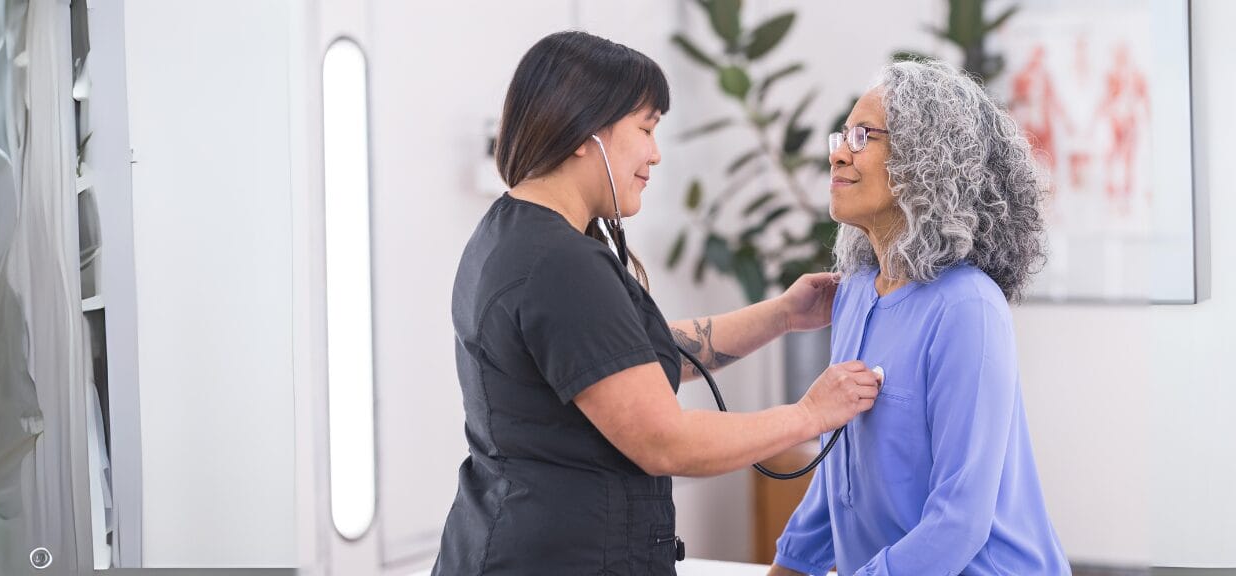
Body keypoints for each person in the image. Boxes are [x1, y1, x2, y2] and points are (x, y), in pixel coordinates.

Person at [434, 31, 882, 575]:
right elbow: (666, 442)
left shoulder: (512, 235)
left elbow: (625, 358)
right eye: (645, 128)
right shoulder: (558, 264)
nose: (655, 153)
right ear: (584, 131)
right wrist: (809, 415)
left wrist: (783, 314)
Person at [770, 60, 1070, 576]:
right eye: (841, 136)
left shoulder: (967, 308)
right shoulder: (855, 295)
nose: (839, 153)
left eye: (863, 136)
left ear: (925, 160)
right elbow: (832, 486)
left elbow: (958, 523)